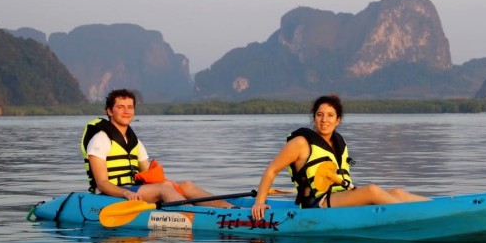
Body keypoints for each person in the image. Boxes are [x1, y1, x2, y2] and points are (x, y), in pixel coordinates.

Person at [251, 94, 429, 220]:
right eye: (319, 115)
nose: (324, 120)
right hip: (315, 204)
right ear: (313, 118)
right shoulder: (300, 143)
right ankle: (415, 218)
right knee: (372, 191)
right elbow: (271, 170)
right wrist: (259, 202)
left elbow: (344, 167)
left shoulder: (339, 143)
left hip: (340, 196)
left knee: (397, 192)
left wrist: (352, 172)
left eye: (330, 116)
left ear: (338, 120)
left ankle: (438, 207)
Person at [82, 88, 231, 207]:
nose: (126, 111)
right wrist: (125, 194)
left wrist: (170, 184)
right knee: (164, 188)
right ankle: (195, 215)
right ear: (109, 111)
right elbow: (102, 183)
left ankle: (230, 210)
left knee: (186, 185)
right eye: (120, 107)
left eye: (130, 107)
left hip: (135, 189)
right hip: (112, 194)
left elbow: (147, 172)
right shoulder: (100, 140)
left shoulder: (134, 142)